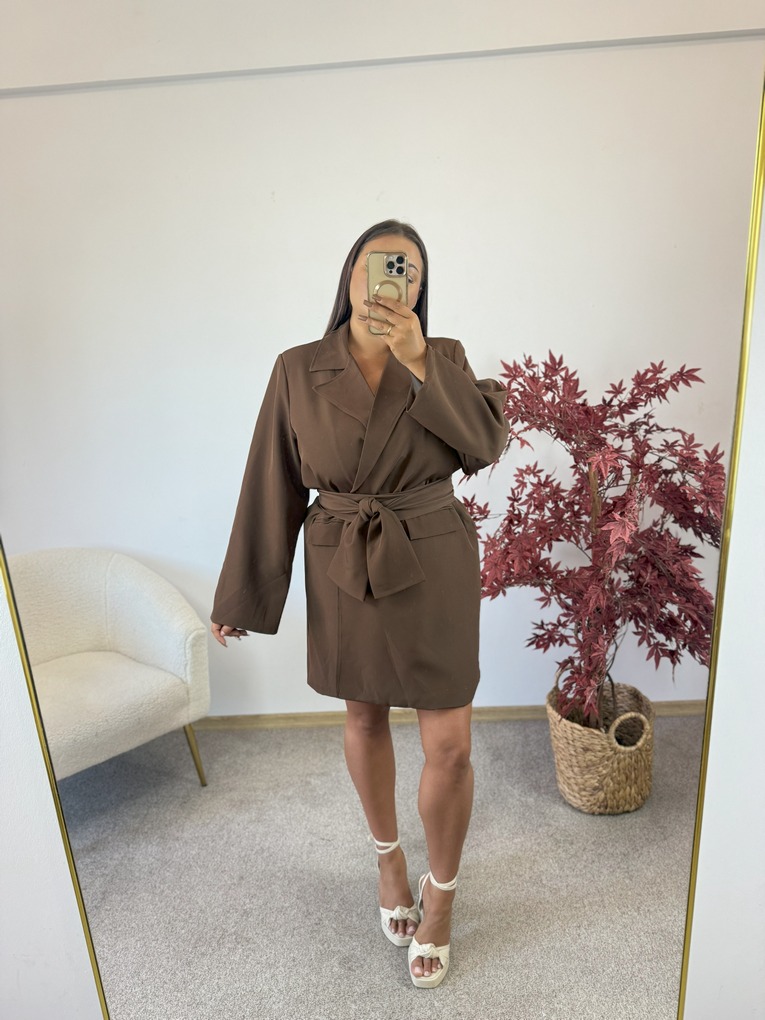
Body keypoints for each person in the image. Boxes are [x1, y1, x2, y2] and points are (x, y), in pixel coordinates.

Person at [210, 219, 508, 988]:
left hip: (432, 554)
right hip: (344, 560)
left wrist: (418, 360)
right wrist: (244, 592)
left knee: (450, 744)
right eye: (379, 266)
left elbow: (483, 445)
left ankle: (442, 895)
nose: (390, 280)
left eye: (408, 270)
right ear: (349, 275)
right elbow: (271, 481)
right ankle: (388, 860)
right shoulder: (297, 368)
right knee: (364, 715)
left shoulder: (443, 357)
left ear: (419, 287)